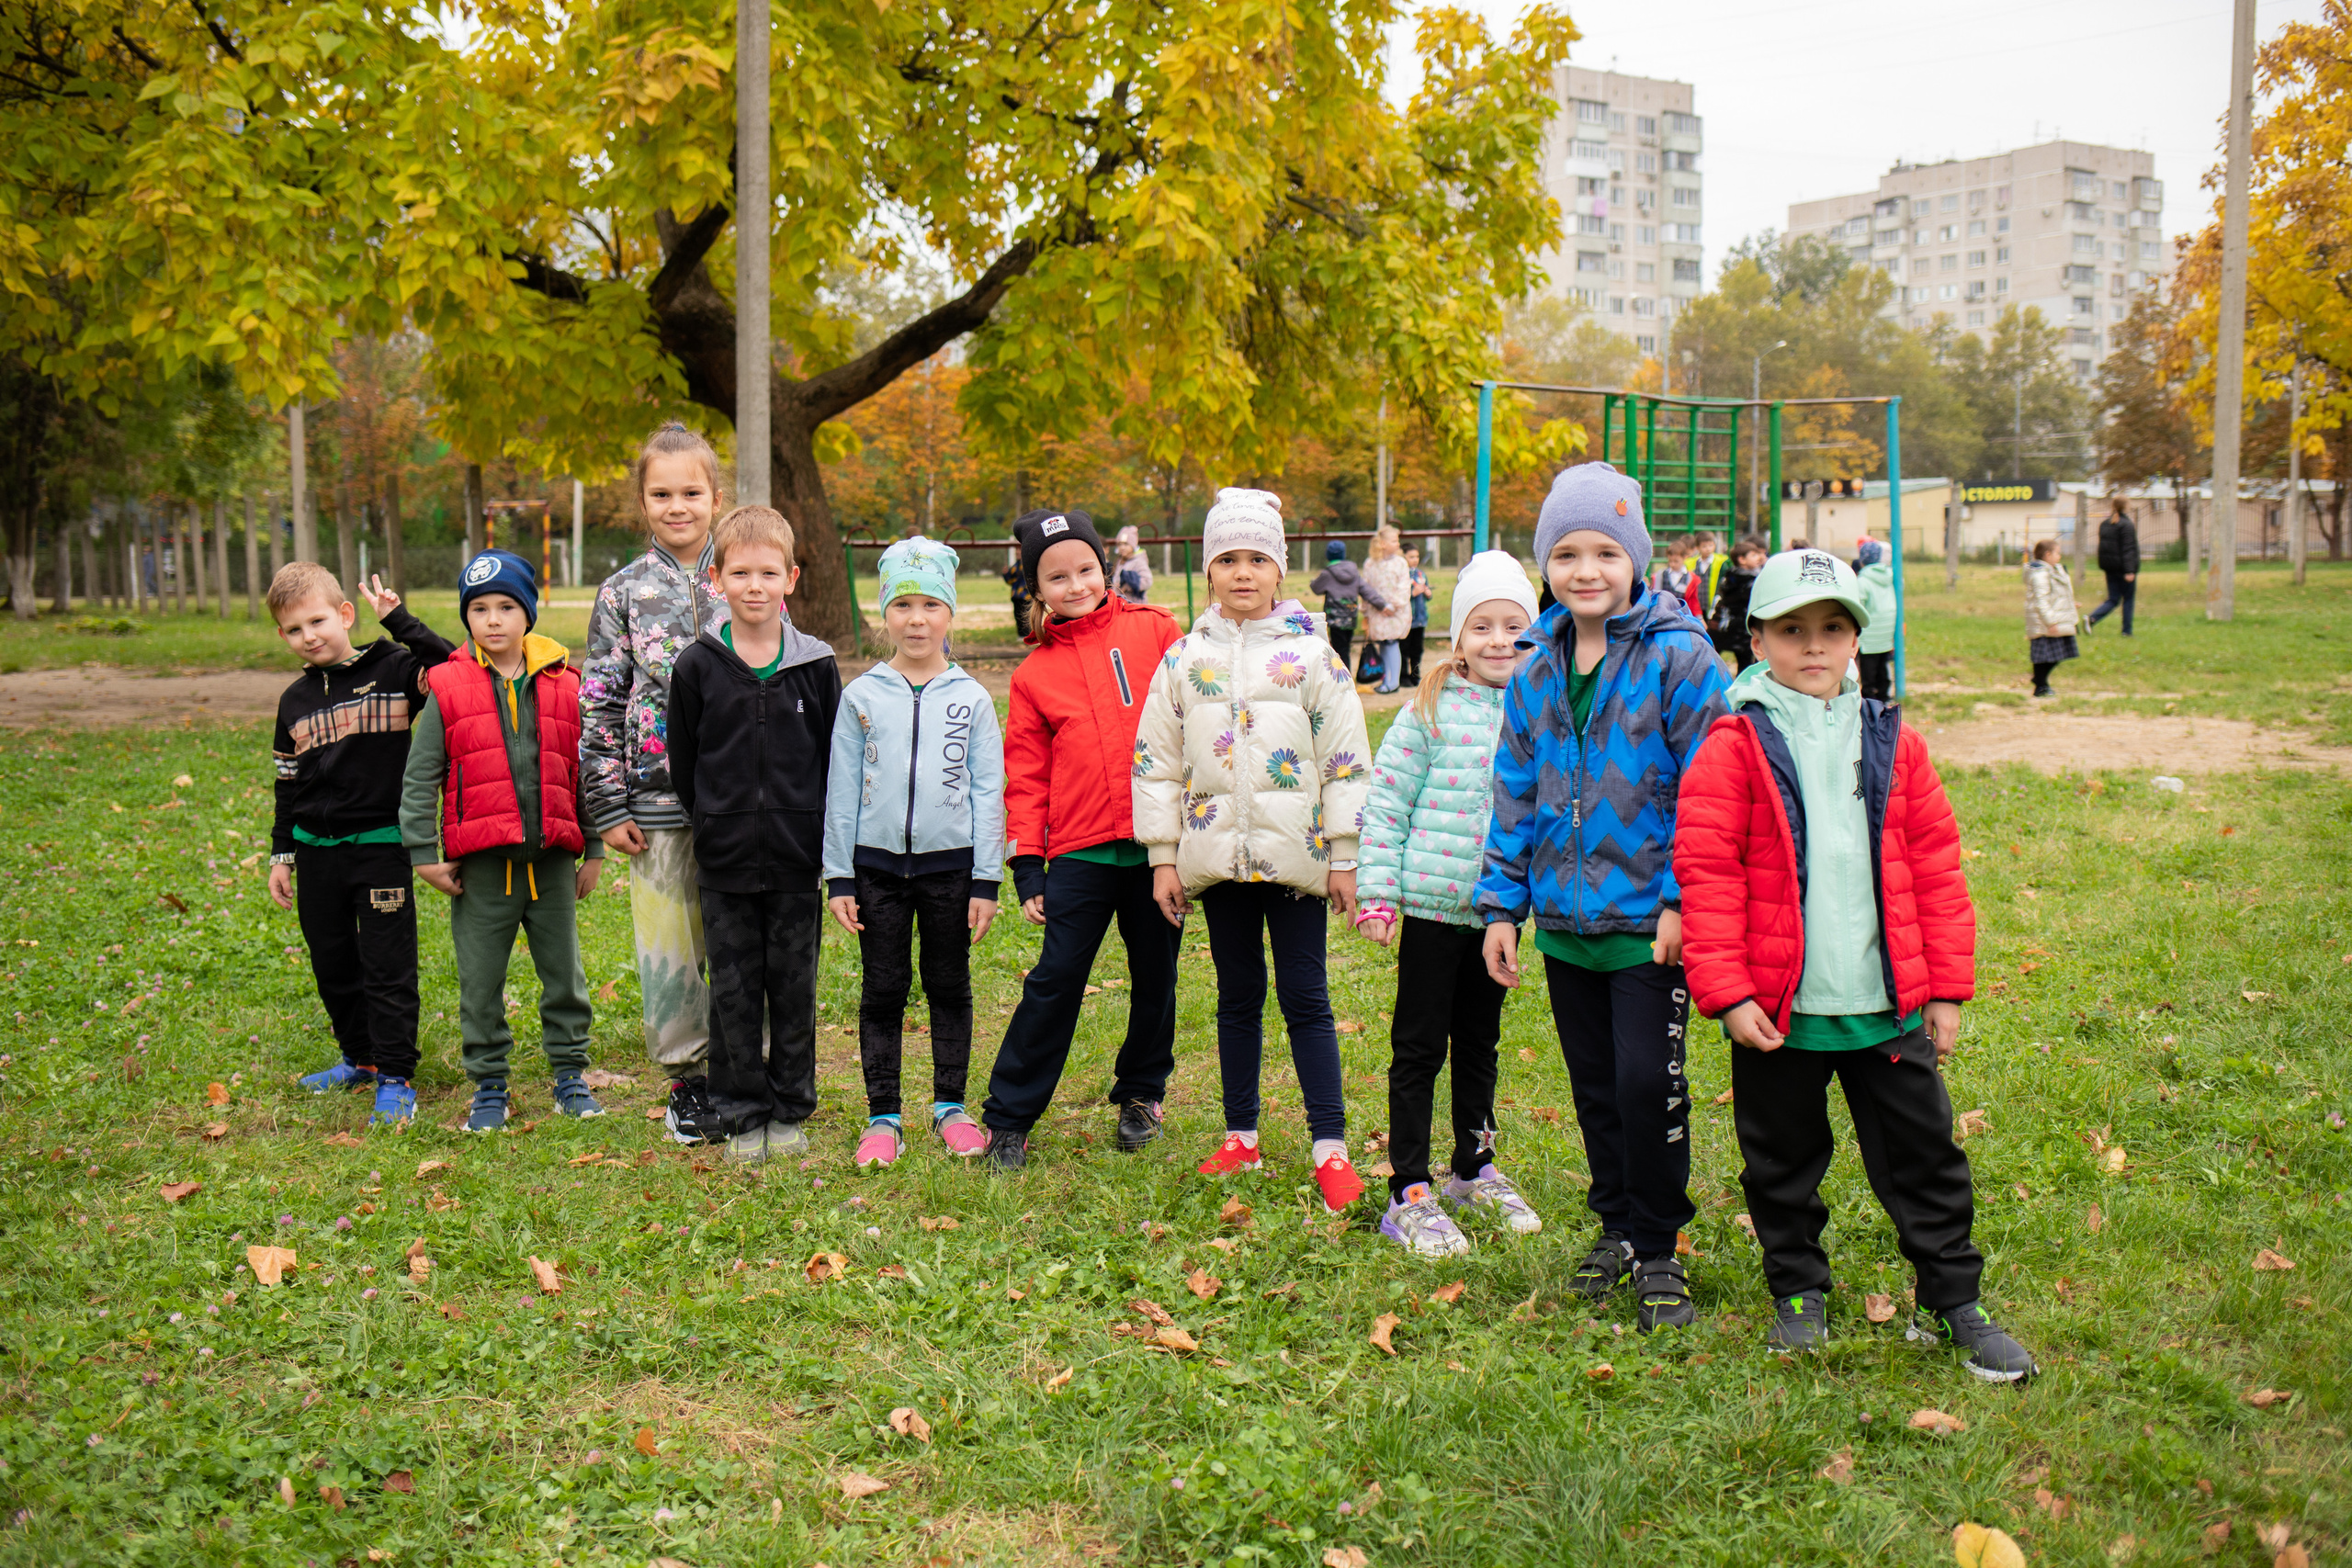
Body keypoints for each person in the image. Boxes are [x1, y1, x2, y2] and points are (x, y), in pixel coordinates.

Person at [1675, 548, 2035, 1382]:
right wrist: (1727, 992)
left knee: (1924, 1156)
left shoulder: (1892, 741)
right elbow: (1707, 871)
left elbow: (1939, 867)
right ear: (1756, 638)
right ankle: (1798, 1289)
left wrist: (1944, 988)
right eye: (1792, 629)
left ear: (1856, 639)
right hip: (1782, 1014)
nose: (1813, 646)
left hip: (1888, 1006)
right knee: (1782, 1159)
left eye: (1832, 628)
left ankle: (1955, 1301)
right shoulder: (1733, 745)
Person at [1476, 461, 1729, 1332]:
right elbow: (1514, 787)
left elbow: (1711, 785)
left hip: (1645, 923)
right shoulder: (1537, 662)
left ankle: (1660, 1243)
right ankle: (1616, 1223)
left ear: (1636, 561)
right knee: (1593, 1082)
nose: (1588, 571)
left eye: (1607, 552)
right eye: (1569, 552)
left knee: (1643, 1080)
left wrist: (1681, 900)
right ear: (1546, 562)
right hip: (1565, 921)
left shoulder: (1679, 655)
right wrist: (1503, 904)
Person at [1135, 487, 1374, 1213]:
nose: (1244, 573)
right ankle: (1241, 1136)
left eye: (1258, 559)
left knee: (1306, 998)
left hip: (1295, 862)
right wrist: (1163, 856)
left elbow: (1346, 761)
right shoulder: (1183, 659)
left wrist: (1345, 853)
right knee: (1237, 999)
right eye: (1228, 559)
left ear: (1280, 568)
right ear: (1209, 571)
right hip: (1217, 861)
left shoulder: (1313, 658)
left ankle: (1328, 1146)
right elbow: (1157, 762)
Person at [978, 508, 1187, 1170]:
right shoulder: (1034, 674)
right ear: (1037, 589)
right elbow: (1028, 777)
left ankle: (1141, 1092)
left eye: (1086, 569)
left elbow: (1196, 723)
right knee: (1056, 977)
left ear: (1106, 567)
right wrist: (1027, 863)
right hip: (1080, 849)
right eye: (1057, 576)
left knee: (1156, 973)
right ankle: (1010, 1117)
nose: (1076, 585)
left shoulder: (1156, 632)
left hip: (1159, 850)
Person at [1357, 551, 1544, 1256]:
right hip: (1434, 912)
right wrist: (1378, 892)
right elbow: (1386, 806)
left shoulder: (1540, 715)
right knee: (1419, 1046)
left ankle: (1473, 1164)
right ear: (1458, 638)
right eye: (1483, 626)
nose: (1500, 642)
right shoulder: (1427, 710)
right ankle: (1408, 1183)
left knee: (1481, 1042)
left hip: (1498, 919)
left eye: (1515, 628)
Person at [401, 550, 605, 1133]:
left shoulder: (566, 684)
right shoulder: (448, 687)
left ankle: (570, 1075)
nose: (493, 620)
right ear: (466, 618)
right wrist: (423, 854)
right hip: (482, 867)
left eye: (507, 607)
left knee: (564, 975)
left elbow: (580, 769)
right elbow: (421, 775)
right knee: (480, 980)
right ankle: (489, 1084)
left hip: (553, 862)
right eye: (480, 609)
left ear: (529, 613)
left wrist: (592, 846)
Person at [666, 506, 842, 1162]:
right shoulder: (698, 666)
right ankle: (739, 1107)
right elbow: (685, 765)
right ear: (717, 578)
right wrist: (717, 820)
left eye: (769, 572)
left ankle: (790, 1107)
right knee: (734, 990)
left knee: (793, 987)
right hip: (726, 862)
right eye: (740, 572)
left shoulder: (816, 665)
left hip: (797, 860)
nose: (755, 585)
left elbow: (833, 758)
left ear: (790, 578)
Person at [823, 537, 1005, 1168]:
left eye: (931, 604)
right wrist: (838, 876)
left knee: (949, 982)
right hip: (875, 869)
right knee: (884, 987)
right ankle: (883, 1114)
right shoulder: (862, 696)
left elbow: (988, 791)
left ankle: (950, 1105)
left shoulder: (973, 698)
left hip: (951, 869)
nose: (918, 618)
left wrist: (987, 880)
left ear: (951, 613)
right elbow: (841, 789)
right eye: (903, 604)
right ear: (885, 614)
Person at [581, 422, 729, 1145]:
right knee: (669, 944)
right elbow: (601, 700)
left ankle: (743, 1068)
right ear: (642, 501)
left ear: (715, 496)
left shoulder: (747, 577)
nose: (678, 506)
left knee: (737, 934)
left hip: (741, 800)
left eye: (691, 492)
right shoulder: (622, 594)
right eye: (662, 493)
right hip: (656, 798)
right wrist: (607, 800)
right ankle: (689, 1082)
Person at [268, 563, 455, 1126]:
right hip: (317, 854)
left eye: (319, 621)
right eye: (295, 630)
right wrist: (282, 854)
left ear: (344, 615)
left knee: (386, 964)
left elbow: (451, 668)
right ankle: (360, 1059)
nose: (310, 636)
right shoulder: (292, 701)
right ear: (284, 637)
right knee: (333, 963)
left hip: (379, 848)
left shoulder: (396, 669)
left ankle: (396, 1076)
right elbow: (287, 784)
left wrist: (399, 621)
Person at [1309, 539, 1386, 676]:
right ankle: (1346, 675)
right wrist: (1383, 604)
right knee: (1345, 648)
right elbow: (1367, 590)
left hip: (1335, 620)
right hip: (1350, 618)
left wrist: (1313, 582)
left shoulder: (1328, 573)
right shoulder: (1354, 573)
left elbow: (1316, 588)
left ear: (1328, 555)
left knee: (1338, 650)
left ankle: (1343, 678)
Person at [2023, 538, 2080, 697]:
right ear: (2048, 555)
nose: (2060, 556)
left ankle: (2040, 682)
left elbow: (2056, 595)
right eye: (2058, 553)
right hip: (2043, 623)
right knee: (2045, 657)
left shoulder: (2053, 571)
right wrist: (2050, 622)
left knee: (2056, 655)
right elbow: (2040, 601)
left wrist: (2070, 604)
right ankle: (2040, 685)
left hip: (2054, 618)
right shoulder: (2040, 574)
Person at [1360, 525, 1413, 694]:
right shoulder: (1370, 564)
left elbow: (1404, 586)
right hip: (1378, 611)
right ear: (1382, 544)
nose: (1398, 544)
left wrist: (1394, 605)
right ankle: (1385, 679)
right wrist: (1370, 607)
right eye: (1394, 540)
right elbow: (1366, 586)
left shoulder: (1400, 563)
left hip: (1395, 612)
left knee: (1391, 642)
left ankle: (1393, 682)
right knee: (1383, 643)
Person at [1708, 536, 1770, 671]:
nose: (1758, 558)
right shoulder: (1749, 581)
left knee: (1714, 656)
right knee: (1745, 663)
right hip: (1741, 629)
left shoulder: (1730, 577)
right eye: (1753, 555)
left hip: (1725, 626)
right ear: (1742, 559)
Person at [1854, 537, 1898, 702]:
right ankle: (1884, 696)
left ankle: (1869, 700)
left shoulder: (1863, 581)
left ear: (1863, 560)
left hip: (1869, 635)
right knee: (1883, 668)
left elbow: (1859, 607)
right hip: (1886, 632)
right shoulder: (1890, 577)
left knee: (1868, 671)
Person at [2088, 499, 2139, 636]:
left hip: (2110, 568)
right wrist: (2130, 570)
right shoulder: (2126, 525)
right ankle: (2126, 631)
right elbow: (2128, 549)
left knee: (2113, 599)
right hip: (2124, 569)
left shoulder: (2105, 524)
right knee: (2128, 599)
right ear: (2125, 506)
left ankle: (2092, 618)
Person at [1400, 545, 1432, 684]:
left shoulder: (1421, 574)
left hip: (1420, 619)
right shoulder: (1402, 575)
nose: (1415, 560)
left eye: (1417, 557)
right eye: (1411, 557)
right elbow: (1399, 596)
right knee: (1404, 649)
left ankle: (1415, 675)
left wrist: (1427, 593)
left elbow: (1427, 592)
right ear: (1404, 557)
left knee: (1417, 650)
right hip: (1407, 620)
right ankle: (1403, 676)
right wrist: (1412, 594)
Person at [1682, 532, 1726, 623]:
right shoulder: (1690, 563)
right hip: (1695, 603)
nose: (1708, 549)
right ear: (1697, 548)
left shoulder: (1721, 562)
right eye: (1704, 546)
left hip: (1712, 603)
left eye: (1711, 545)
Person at [1112, 525, 1155, 605]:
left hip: (1135, 604)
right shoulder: (1120, 561)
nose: (1122, 547)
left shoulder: (1139, 561)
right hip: (1122, 603)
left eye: (1126, 544)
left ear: (1133, 545)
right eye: (1120, 544)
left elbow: (1147, 581)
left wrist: (1129, 586)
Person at [1651, 536, 1693, 604]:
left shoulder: (1689, 577)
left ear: (1684, 558)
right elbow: (1656, 594)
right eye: (1670, 561)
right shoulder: (1662, 574)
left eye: (1676, 561)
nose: (1672, 564)